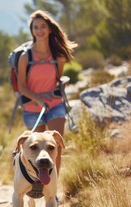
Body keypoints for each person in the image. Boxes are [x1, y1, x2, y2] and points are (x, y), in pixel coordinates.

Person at [17, 10, 77, 176]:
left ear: (50, 29)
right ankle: (38, 184)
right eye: (36, 27)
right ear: (32, 31)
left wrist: (62, 82)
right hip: (31, 109)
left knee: (54, 147)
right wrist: (38, 99)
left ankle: (53, 187)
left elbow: (56, 79)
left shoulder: (58, 56)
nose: (39, 30)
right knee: (36, 152)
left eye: (43, 26)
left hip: (55, 104)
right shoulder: (25, 57)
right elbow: (22, 86)